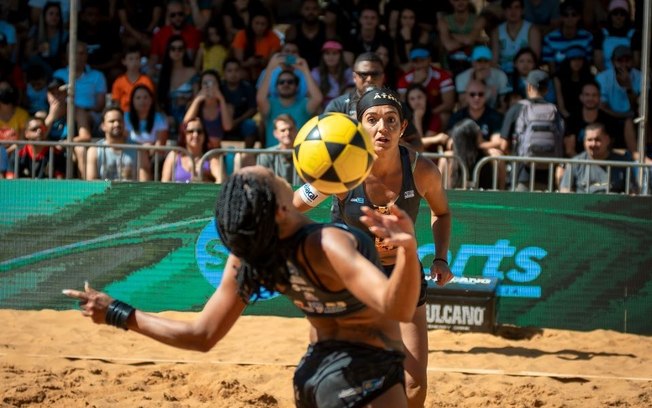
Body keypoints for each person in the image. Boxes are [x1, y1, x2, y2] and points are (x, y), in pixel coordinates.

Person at [64, 164, 423, 407]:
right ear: (280, 208)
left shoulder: (250, 257)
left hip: (314, 376)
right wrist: (407, 248)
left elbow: (201, 335)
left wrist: (117, 312)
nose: (273, 171)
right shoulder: (326, 243)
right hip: (365, 377)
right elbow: (397, 307)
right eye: (268, 175)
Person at [293, 87, 453, 408]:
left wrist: (440, 257)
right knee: (334, 376)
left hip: (402, 274)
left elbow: (442, 211)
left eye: (392, 120)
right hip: (354, 276)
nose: (383, 128)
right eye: (373, 120)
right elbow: (295, 205)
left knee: (413, 384)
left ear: (403, 127)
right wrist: (319, 185)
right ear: (359, 125)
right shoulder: (344, 167)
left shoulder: (421, 170)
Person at [327, 52, 424, 151]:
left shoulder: (396, 105)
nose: (369, 79)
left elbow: (418, 145)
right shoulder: (338, 106)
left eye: (375, 74)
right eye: (363, 74)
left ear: (383, 76)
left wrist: (395, 144)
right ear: (354, 77)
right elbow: (325, 143)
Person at [501, 69, 565, 191]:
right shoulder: (555, 111)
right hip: (548, 176)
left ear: (529, 86)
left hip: (521, 173)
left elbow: (503, 145)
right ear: (546, 89)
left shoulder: (517, 108)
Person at [256, 53, 323, 148]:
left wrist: (305, 70)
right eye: (281, 82)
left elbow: (318, 98)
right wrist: (270, 68)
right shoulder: (270, 104)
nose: (285, 84)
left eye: (290, 82)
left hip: (299, 155)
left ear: (297, 86)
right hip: (273, 156)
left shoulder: (304, 104)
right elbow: (260, 98)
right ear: (276, 86)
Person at [559, 122, 636, 193]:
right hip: (583, 206)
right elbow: (565, 189)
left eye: (597, 140)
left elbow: (632, 192)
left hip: (614, 206)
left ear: (607, 140)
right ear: (584, 142)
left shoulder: (622, 163)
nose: (593, 144)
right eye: (589, 140)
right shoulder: (575, 163)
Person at [396, 46, 455, 132]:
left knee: (444, 116)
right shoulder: (404, 80)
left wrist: (427, 113)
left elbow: (449, 104)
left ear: (429, 60)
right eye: (415, 61)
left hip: (435, 112)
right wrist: (416, 83)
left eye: (422, 60)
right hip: (412, 114)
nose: (419, 64)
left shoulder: (442, 76)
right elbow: (403, 105)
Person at [86, 106, 151, 181]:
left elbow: (144, 181)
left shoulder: (139, 150)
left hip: (131, 192)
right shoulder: (94, 151)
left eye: (120, 121)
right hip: (104, 192)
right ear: (103, 126)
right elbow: (91, 180)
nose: (116, 124)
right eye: (112, 121)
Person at [161, 117, 224, 183]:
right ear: (184, 135)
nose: (195, 134)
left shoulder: (211, 158)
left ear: (204, 135)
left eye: (199, 131)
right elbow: (165, 183)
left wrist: (206, 177)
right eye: (191, 131)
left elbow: (221, 180)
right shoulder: (174, 155)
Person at [182, 69, 234, 150]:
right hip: (198, 150)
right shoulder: (194, 106)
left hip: (216, 151)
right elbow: (185, 124)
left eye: (212, 83)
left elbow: (228, 127)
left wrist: (221, 99)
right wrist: (197, 99)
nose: (209, 86)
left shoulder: (227, 107)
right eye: (205, 83)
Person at [148, 0, 202, 76]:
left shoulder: (193, 33)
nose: (177, 18)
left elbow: (188, 60)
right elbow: (153, 59)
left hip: (185, 73)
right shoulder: (159, 34)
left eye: (180, 14)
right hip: (163, 72)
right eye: (173, 15)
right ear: (168, 16)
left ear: (185, 13)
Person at [5, 114, 66, 179]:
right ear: (26, 134)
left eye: (42, 128)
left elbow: (60, 182)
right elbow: (10, 181)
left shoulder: (56, 154)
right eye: (34, 129)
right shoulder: (18, 153)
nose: (39, 131)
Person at [490, 0, 541, 76]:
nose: (513, 11)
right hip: (502, 74)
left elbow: (535, 59)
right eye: (509, 8)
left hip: (526, 74)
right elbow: (494, 61)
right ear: (504, 11)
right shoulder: (496, 32)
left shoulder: (532, 30)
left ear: (522, 11)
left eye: (517, 7)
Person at [455, 45, 510, 111]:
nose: (482, 64)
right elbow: (464, 105)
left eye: (486, 61)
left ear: (490, 62)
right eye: (479, 61)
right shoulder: (461, 78)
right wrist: (478, 80)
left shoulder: (500, 75)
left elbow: (504, 105)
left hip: (493, 112)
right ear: (473, 63)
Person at [595, 45, 641, 120]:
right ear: (613, 62)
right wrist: (620, 117)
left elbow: (638, 107)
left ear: (632, 61)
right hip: (609, 117)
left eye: (627, 60)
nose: (624, 65)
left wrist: (628, 87)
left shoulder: (641, 77)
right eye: (620, 61)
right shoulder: (602, 78)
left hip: (633, 118)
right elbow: (602, 107)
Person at [256, 113, 301, 185]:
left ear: (296, 130)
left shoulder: (305, 154)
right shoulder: (266, 155)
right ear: (275, 133)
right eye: (283, 130)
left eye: (290, 129)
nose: (287, 133)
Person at [111, 44, 156, 113]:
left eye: (137, 58)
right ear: (124, 61)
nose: (134, 62)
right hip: (124, 115)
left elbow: (151, 101)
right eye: (131, 59)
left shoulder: (146, 81)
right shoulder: (119, 82)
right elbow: (116, 103)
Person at [310, 40, 353, 110]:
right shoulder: (316, 72)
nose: (331, 57)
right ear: (322, 56)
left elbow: (350, 93)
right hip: (321, 110)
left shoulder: (348, 72)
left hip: (343, 109)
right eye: (327, 53)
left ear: (340, 56)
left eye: (334, 53)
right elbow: (312, 96)